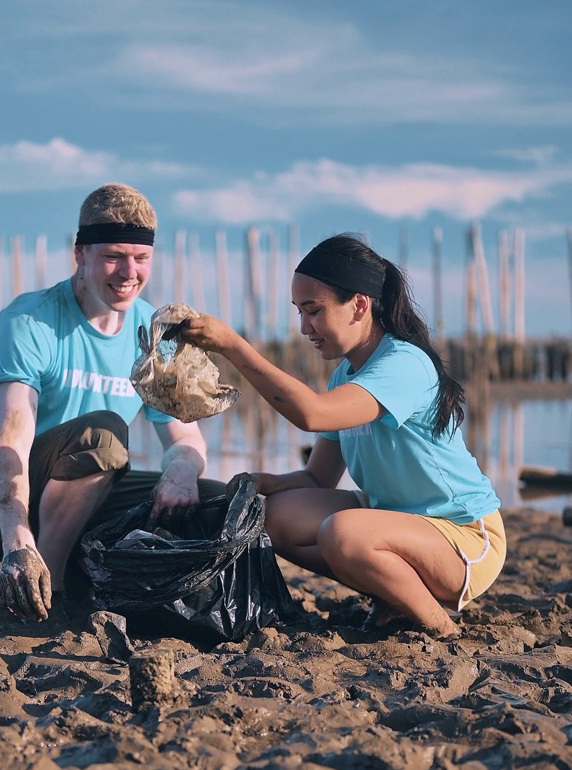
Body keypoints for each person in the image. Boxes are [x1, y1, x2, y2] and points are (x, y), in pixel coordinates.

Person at [183, 234, 505, 638]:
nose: (304, 327)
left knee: (342, 533)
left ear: (358, 305)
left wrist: (232, 346)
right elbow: (318, 479)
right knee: (274, 516)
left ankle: (439, 626)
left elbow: (312, 414)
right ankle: (393, 596)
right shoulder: (346, 374)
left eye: (314, 311)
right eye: (299, 312)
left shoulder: (405, 363)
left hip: (463, 539)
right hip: (396, 521)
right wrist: (265, 482)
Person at [0, 183, 222, 622]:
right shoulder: (28, 321)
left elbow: (185, 436)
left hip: (91, 492)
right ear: (80, 253)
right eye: (114, 256)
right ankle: (49, 590)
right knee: (105, 434)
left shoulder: (154, 333)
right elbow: (10, 441)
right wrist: (17, 542)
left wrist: (182, 471)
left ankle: (94, 578)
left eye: (142, 258)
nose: (129, 272)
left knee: (216, 501)